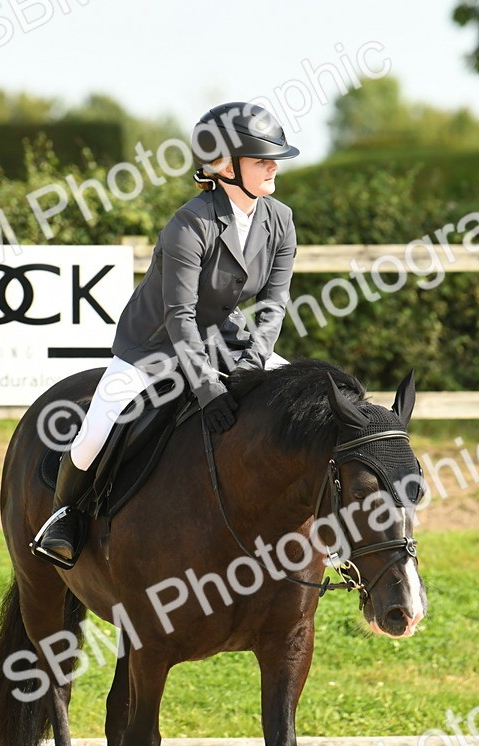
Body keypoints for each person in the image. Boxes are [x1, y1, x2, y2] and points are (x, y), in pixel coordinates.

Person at [31, 102, 300, 568]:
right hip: (153, 343)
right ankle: (65, 518)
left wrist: (254, 365)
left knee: (305, 399)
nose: (273, 165)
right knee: (99, 423)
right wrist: (208, 387)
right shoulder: (189, 223)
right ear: (223, 166)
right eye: (261, 158)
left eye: (273, 157)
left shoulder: (281, 220)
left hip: (225, 337)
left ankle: (327, 529)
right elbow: (180, 315)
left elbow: (274, 304)